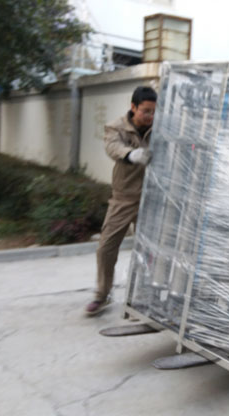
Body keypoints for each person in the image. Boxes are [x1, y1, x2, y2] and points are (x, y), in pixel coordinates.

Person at [85, 86, 157, 315]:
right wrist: (130, 154)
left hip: (153, 200)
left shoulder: (160, 127)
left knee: (150, 252)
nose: (150, 116)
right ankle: (102, 294)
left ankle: (146, 297)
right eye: (146, 111)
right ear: (133, 107)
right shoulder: (116, 126)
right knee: (106, 247)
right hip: (124, 197)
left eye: (154, 111)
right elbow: (112, 146)